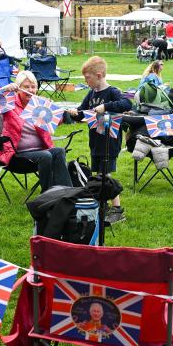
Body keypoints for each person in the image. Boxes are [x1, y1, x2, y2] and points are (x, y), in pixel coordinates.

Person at [66, 56, 132, 223]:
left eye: (87, 78)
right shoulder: (91, 93)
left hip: (109, 141)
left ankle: (117, 210)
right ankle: (104, 206)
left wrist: (106, 107)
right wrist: (75, 113)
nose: (85, 81)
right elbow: (83, 112)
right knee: (99, 174)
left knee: (105, 175)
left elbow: (127, 104)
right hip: (95, 140)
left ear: (99, 75)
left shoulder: (112, 92)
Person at [0, 71, 72, 193]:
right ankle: (48, 193)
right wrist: (3, 90)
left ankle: (67, 192)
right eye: (26, 87)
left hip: (39, 152)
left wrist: (65, 114)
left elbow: (53, 123)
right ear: (18, 88)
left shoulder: (39, 104)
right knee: (46, 155)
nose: (30, 90)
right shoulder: (9, 104)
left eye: (33, 87)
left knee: (59, 151)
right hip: (17, 155)